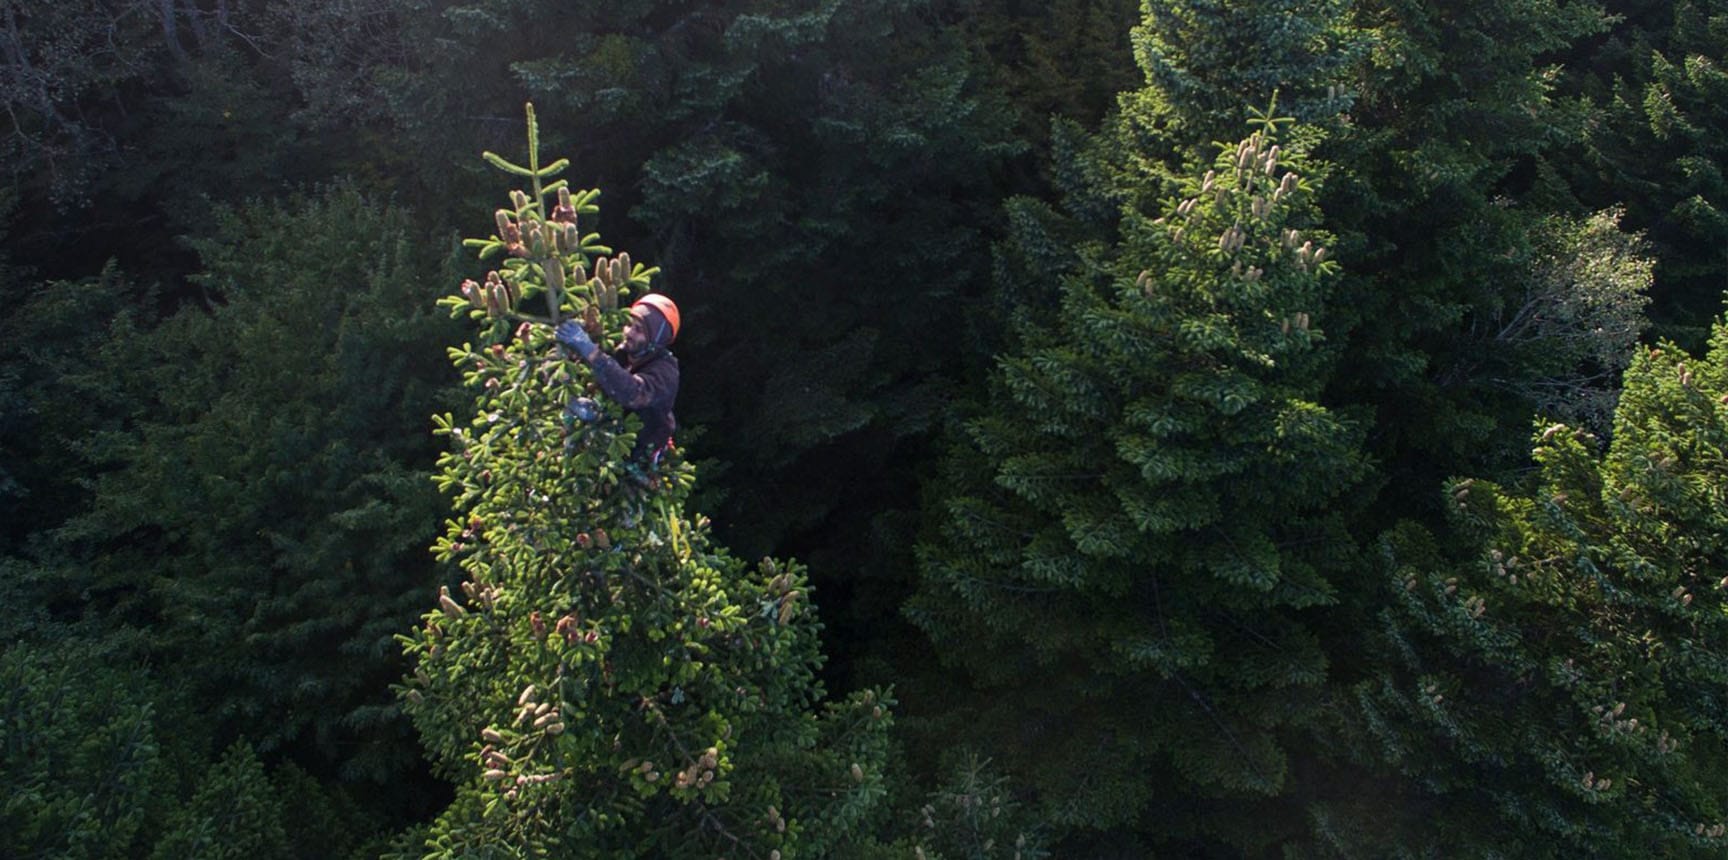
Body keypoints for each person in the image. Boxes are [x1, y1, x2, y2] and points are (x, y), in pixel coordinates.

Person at [555, 294, 681, 466]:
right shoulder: (625, 352)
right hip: (608, 440)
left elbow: (633, 392)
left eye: (639, 330)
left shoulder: (665, 373)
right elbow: (606, 372)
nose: (629, 332)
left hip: (640, 452)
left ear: (655, 341)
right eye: (629, 324)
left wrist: (589, 350)